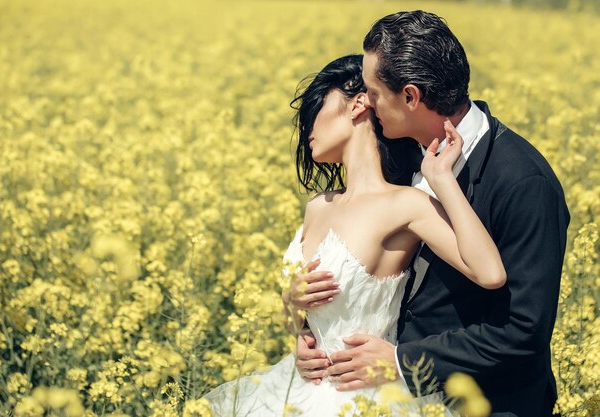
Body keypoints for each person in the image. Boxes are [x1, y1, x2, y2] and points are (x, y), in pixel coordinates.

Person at [294, 11, 570, 417]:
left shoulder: (523, 182)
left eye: (373, 91)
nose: (366, 102)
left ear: (410, 97)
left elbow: (522, 332)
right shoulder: (398, 151)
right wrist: (312, 335)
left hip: (486, 405)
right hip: (380, 397)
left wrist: (401, 363)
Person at [203, 53, 507, 416]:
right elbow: (310, 316)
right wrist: (296, 318)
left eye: (316, 107)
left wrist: (441, 179)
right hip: (301, 389)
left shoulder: (405, 204)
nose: (306, 129)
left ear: (358, 103)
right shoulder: (317, 206)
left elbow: (490, 273)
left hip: (370, 396)